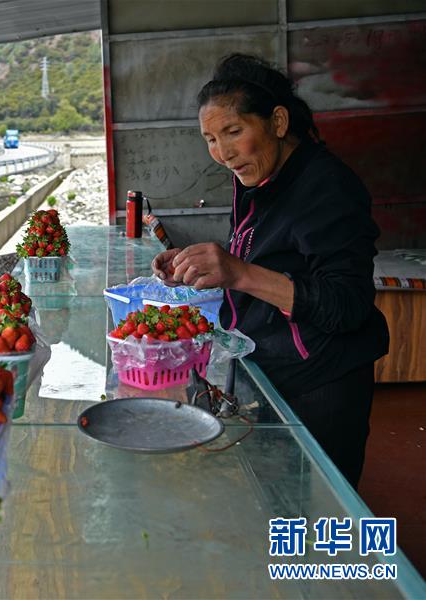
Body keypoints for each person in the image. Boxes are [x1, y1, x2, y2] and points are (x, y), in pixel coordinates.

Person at [151, 53, 389, 488]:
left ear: (278, 122)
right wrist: (203, 264)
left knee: (318, 517)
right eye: (210, 139)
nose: (222, 154)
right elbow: (269, 252)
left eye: (233, 132)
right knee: (274, 500)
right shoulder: (259, 176)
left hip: (321, 382)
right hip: (268, 364)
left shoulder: (326, 186)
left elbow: (348, 304)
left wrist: (238, 273)